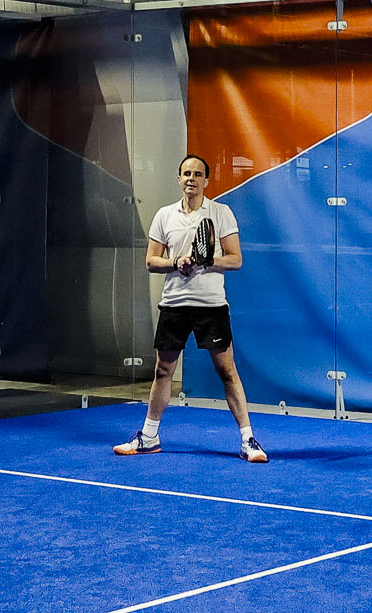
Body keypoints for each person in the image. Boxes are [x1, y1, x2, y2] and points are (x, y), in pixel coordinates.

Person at [114, 153, 268, 463]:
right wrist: (176, 262)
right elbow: (151, 261)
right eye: (186, 173)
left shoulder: (221, 213)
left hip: (210, 305)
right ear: (179, 178)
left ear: (206, 181)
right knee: (163, 370)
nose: (191, 178)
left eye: (198, 174)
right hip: (174, 304)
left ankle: (248, 439)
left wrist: (207, 260)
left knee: (227, 371)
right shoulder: (164, 215)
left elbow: (235, 259)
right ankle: (149, 436)